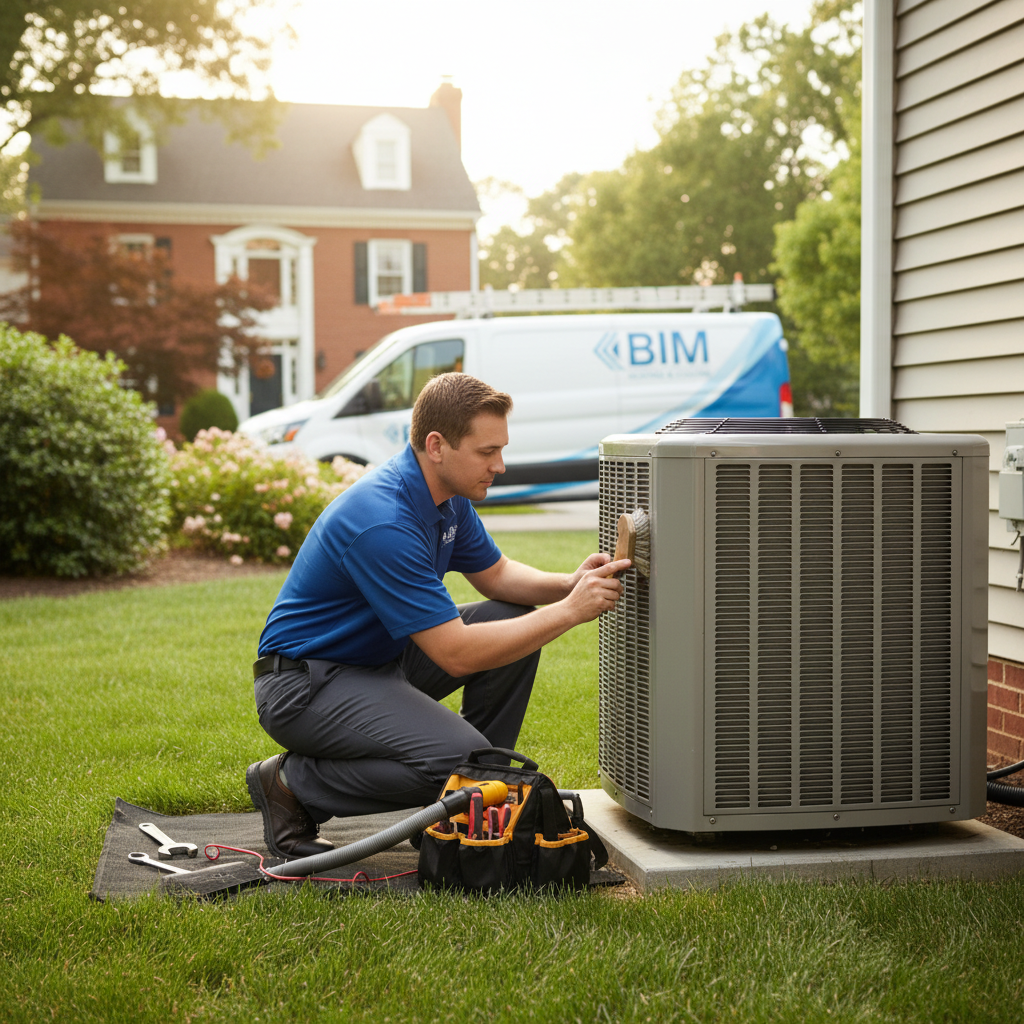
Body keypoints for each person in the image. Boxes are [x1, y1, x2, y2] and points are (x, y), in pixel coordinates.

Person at [247, 372, 630, 857]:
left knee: (507, 617)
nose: (500, 465)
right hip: (304, 686)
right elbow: (456, 654)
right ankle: (291, 784)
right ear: (436, 446)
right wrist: (571, 611)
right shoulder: (383, 521)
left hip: (375, 663)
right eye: (487, 452)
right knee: (457, 762)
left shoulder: (445, 498)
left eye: (501, 449)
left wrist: (568, 584)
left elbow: (497, 575)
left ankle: (471, 802)